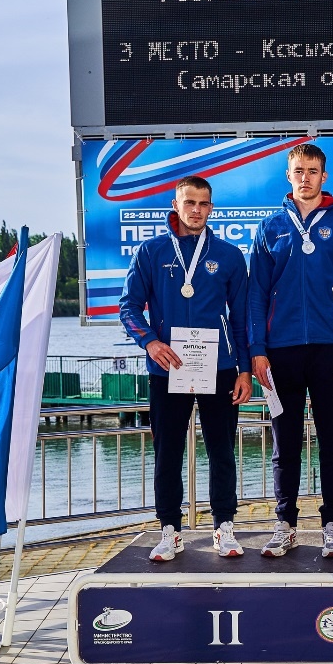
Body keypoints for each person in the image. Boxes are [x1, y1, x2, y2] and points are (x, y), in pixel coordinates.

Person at [119, 175, 252, 561]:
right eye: (189, 202)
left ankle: (224, 526)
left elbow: (241, 319)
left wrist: (244, 369)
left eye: (203, 204)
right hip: (167, 368)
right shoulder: (150, 252)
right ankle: (170, 531)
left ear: (211, 208)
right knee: (168, 453)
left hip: (220, 368)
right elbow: (128, 307)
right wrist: (150, 341)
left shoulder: (229, 255)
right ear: (175, 205)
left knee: (222, 451)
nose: (196, 210)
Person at [248, 144, 333, 558]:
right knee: (285, 444)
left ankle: (332, 523)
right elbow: (256, 294)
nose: (305, 177)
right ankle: (285, 524)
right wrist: (257, 349)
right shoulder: (270, 227)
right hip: (280, 351)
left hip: (331, 348)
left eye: (313, 170)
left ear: (324, 176)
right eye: (298, 170)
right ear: (289, 176)